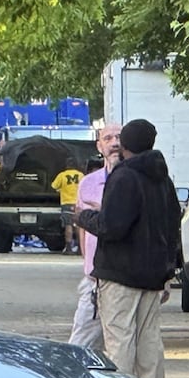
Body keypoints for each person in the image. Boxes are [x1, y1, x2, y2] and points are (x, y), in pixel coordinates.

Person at [75, 119, 181, 378]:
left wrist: (84, 217)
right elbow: (172, 221)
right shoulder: (162, 178)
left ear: (127, 145)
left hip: (120, 275)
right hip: (152, 275)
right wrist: (169, 269)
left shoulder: (125, 176)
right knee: (149, 344)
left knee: (120, 342)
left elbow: (113, 226)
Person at [68, 123, 123, 352]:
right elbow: (82, 225)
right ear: (99, 146)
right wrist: (87, 263)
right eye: (108, 138)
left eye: (118, 137)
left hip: (125, 278)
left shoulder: (135, 180)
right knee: (82, 343)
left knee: (123, 344)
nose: (114, 143)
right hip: (95, 279)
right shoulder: (89, 183)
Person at [52, 163, 84, 253]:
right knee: (78, 225)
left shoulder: (62, 175)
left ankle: (69, 248)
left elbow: (54, 186)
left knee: (68, 225)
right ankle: (80, 248)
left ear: (67, 166)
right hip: (78, 203)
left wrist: (60, 190)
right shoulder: (81, 175)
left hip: (66, 202)